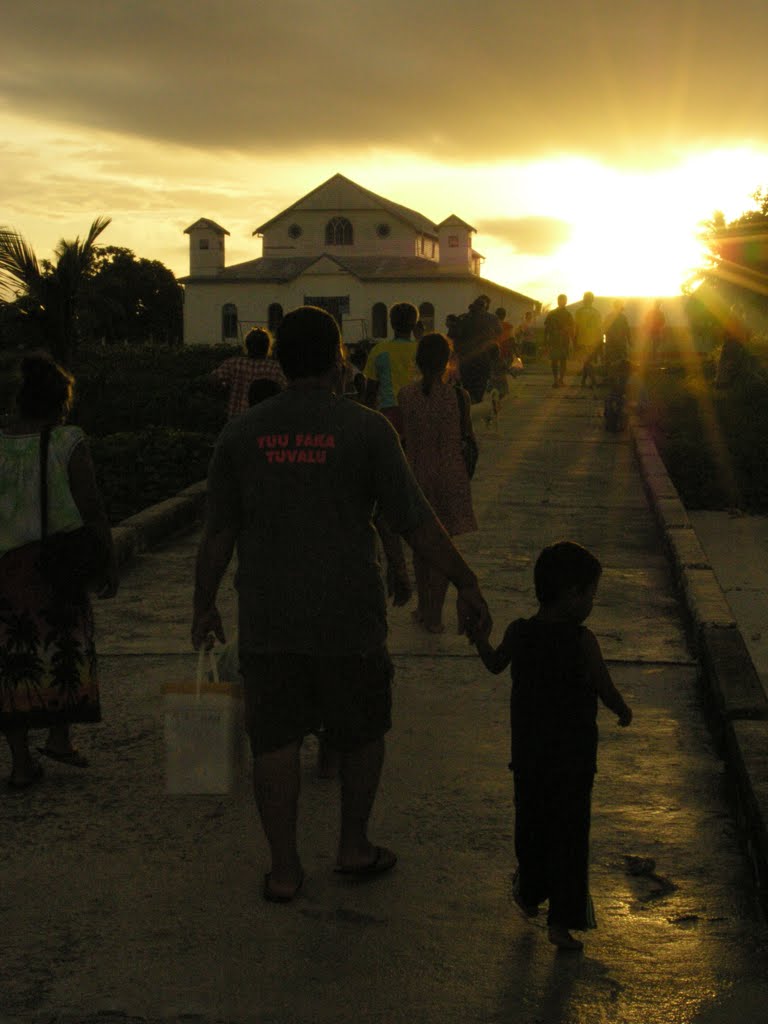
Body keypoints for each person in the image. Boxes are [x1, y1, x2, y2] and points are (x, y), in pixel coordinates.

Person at [191, 305, 491, 903]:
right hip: (348, 615)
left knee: (273, 740)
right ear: (337, 359)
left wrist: (203, 606)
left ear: (279, 359)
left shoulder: (241, 434)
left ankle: (284, 871)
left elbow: (218, 533)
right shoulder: (366, 430)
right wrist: (465, 580)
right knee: (359, 732)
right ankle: (353, 846)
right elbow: (416, 522)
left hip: (269, 616)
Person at [469, 541, 632, 951]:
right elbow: (603, 687)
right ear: (573, 594)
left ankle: (529, 890)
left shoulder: (519, 633)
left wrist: (480, 638)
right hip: (573, 760)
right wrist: (622, 710)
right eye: (591, 594)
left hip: (529, 757)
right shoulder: (582, 641)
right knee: (570, 837)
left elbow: (493, 663)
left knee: (532, 828)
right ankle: (561, 921)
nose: (592, 603)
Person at [0, 354, 118, 788]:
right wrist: (107, 558)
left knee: (13, 662)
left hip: (7, 569)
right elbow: (92, 507)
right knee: (63, 650)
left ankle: (19, 762)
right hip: (57, 562)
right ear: (60, 403)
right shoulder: (68, 441)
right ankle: (59, 737)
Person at [398, 333, 478, 633]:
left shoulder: (406, 395)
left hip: (417, 474)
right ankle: (434, 615)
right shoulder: (460, 397)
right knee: (444, 547)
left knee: (421, 545)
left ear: (418, 361)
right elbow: (466, 435)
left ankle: (423, 608)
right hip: (450, 475)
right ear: (448, 361)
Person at [365, 302, 419, 436]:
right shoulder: (421, 350)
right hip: (417, 413)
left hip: (389, 414)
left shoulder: (379, 350)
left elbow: (371, 392)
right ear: (414, 324)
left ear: (392, 324)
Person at [210, 326, 287, 419]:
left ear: (247, 345)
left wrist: (225, 388)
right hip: (265, 419)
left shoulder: (234, 363)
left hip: (237, 419)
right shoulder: (275, 368)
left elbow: (214, 380)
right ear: (267, 346)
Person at [454, 295, 502, 403]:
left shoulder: (463, 318)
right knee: (480, 388)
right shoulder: (492, 319)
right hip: (483, 360)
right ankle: (475, 407)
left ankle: (468, 410)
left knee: (467, 388)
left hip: (466, 360)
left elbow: (455, 338)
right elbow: (498, 334)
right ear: (485, 307)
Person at [543, 295, 575, 387]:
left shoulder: (556, 314)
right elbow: (547, 329)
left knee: (558, 361)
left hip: (560, 341)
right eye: (561, 300)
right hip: (557, 341)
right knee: (559, 361)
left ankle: (558, 380)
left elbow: (547, 329)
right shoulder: (563, 314)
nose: (562, 302)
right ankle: (558, 380)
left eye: (562, 300)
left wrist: (545, 341)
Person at [573, 292, 603, 359]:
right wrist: (600, 343)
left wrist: (574, 341)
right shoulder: (596, 312)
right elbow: (599, 330)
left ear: (584, 300)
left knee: (583, 364)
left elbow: (576, 328)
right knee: (592, 364)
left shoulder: (579, 312)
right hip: (593, 344)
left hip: (581, 342)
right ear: (592, 300)